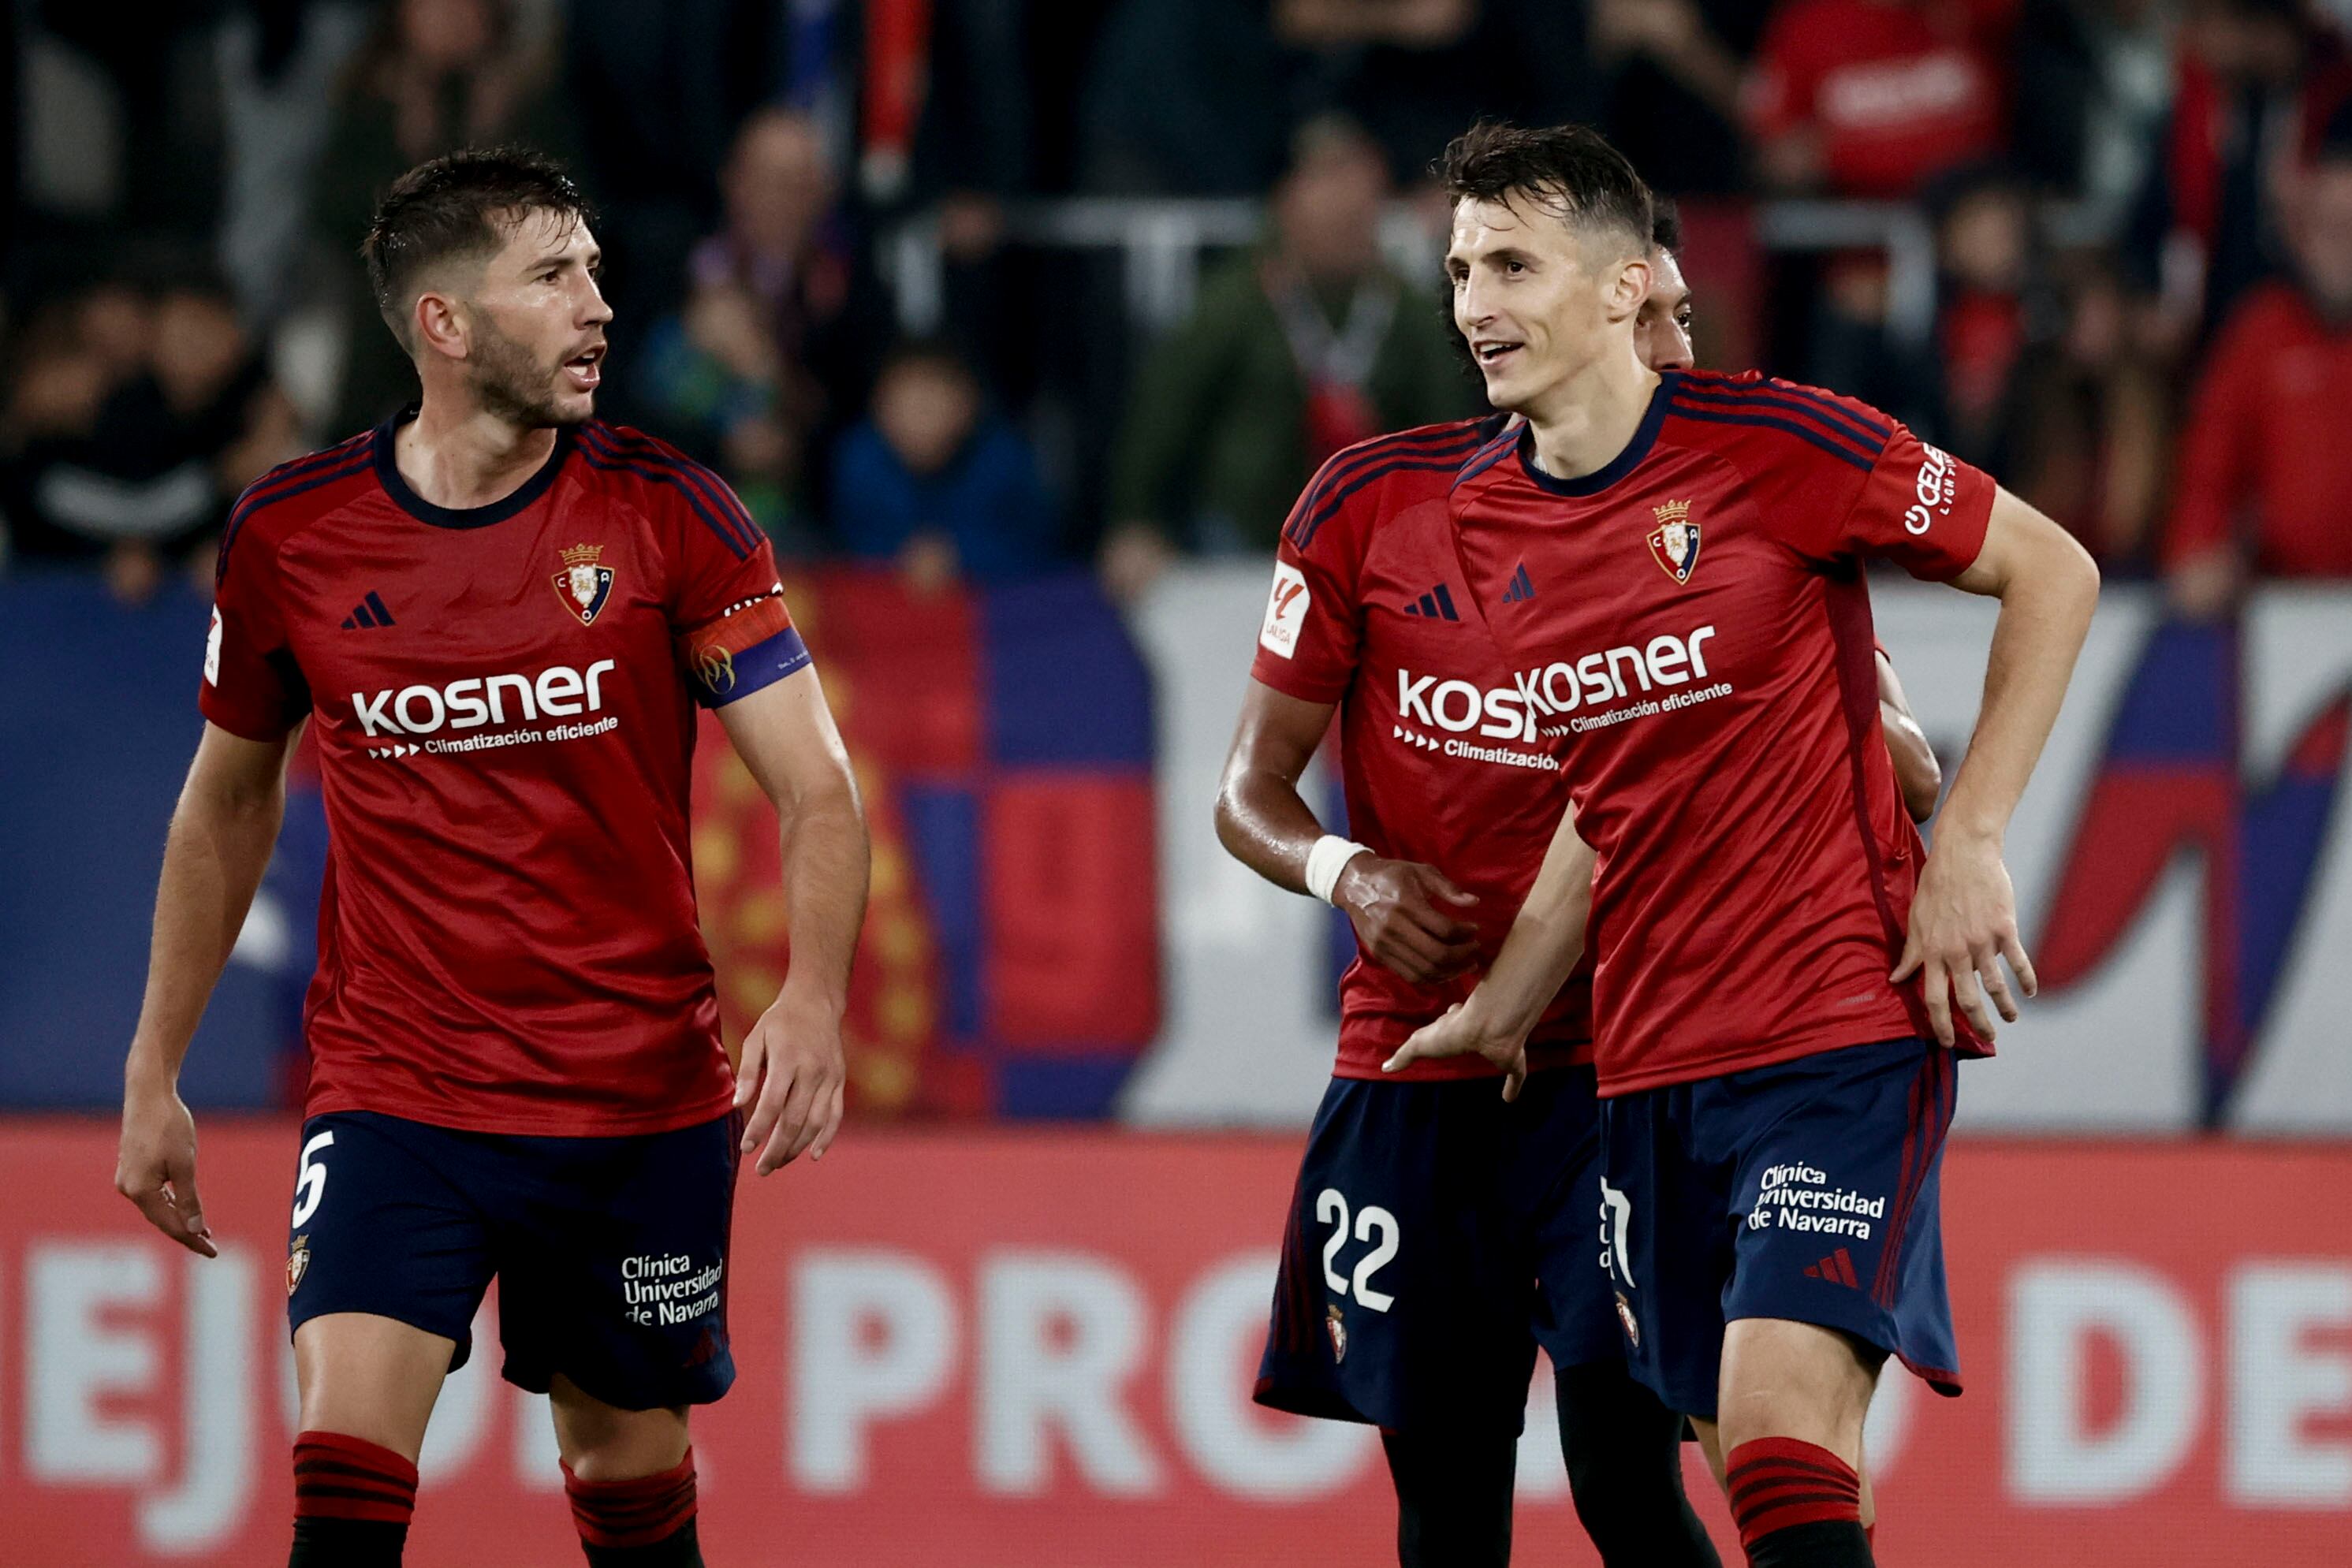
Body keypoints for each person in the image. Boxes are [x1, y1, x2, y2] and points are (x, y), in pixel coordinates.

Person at [112, 149, 870, 1568]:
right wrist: (155, 1064)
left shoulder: (672, 514)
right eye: (551, 275)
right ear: (443, 325)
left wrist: (814, 994)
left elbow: (817, 791)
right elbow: (224, 802)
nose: (596, 303)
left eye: (591, 267)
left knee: (627, 1480)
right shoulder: (293, 534)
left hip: (633, 1095)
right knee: (340, 1472)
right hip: (400, 1083)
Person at [1387, 123, 2097, 1568]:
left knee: (1773, 1428)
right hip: (1644, 1072)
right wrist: (1510, 999)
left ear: (1621, 287)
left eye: (1512, 264)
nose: (1473, 302)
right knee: (1772, 1473)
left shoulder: (1776, 448)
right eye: (1460, 267)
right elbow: (1611, 788)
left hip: (1833, 1029)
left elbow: (2052, 567)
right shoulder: (1479, 518)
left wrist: (1962, 835)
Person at [1217, 213, 1938, 1567]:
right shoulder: (1367, 503)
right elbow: (1243, 788)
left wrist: (1906, 777)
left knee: (1624, 1468)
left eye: (1678, 321)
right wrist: (1347, 869)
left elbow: (1882, 734)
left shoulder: (1724, 502)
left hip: (1622, 1065)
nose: (1671, 353)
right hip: (1418, 1056)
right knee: (1442, 1494)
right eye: (1646, 318)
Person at [1103, 114, 1479, 597]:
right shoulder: (1235, 304)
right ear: (1285, 200)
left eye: (1363, 185)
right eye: (1328, 180)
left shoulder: (1407, 311)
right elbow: (1162, 416)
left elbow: (1450, 430)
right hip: (1241, 542)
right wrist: (1134, 521)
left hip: (1375, 547)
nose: (1350, 202)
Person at [2164, 128, 2352, 613]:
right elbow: (2210, 464)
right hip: (2281, 607)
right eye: (2330, 228)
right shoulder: (2261, 332)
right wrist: (2197, 548)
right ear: (2300, 231)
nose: (2342, 248)